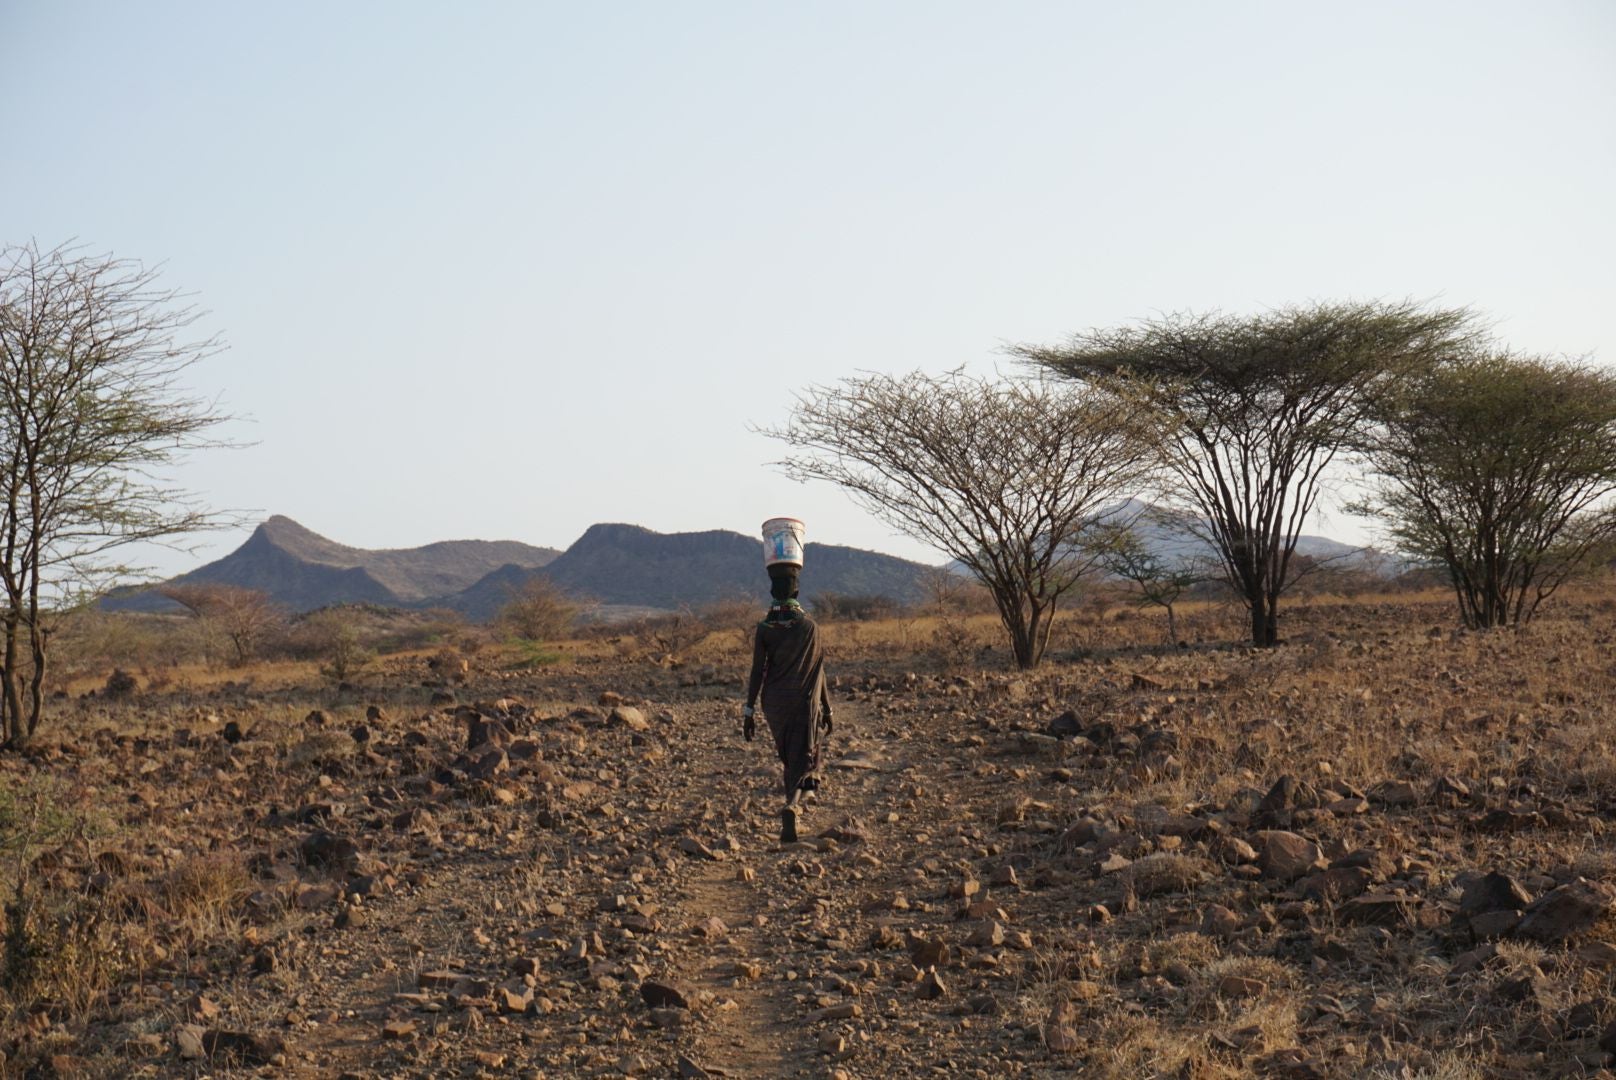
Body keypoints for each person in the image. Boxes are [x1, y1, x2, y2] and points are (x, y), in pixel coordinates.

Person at [743, 562, 833, 843]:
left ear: (772, 590)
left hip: (775, 703)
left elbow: (758, 670)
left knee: (789, 755)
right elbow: (819, 671)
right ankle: (792, 805)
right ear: (796, 589)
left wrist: (749, 710)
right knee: (803, 753)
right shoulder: (810, 626)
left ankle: (798, 798)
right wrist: (827, 708)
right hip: (804, 700)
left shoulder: (765, 629)